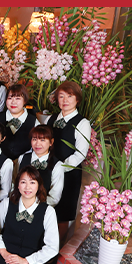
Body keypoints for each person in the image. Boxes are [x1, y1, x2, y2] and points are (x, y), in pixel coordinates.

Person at [45, 81, 91, 245]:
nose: (65, 100)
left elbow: (80, 154)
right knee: (45, 209)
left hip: (68, 173)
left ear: (77, 99)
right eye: (61, 96)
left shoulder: (82, 123)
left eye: (69, 96)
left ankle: (56, 251)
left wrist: (59, 168)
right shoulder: (50, 119)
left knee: (62, 215)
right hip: (47, 171)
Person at [17, 126, 65, 207]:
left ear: (51, 142)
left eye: (42, 140)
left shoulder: (57, 165)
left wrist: (33, 204)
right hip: (20, 204)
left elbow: (54, 198)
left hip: (43, 207)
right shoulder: (22, 158)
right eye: (34, 139)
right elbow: (14, 182)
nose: (37, 144)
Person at [0, 84, 40, 160]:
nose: (13, 102)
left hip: (24, 163)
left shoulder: (34, 122)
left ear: (25, 101)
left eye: (18, 98)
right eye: (10, 98)